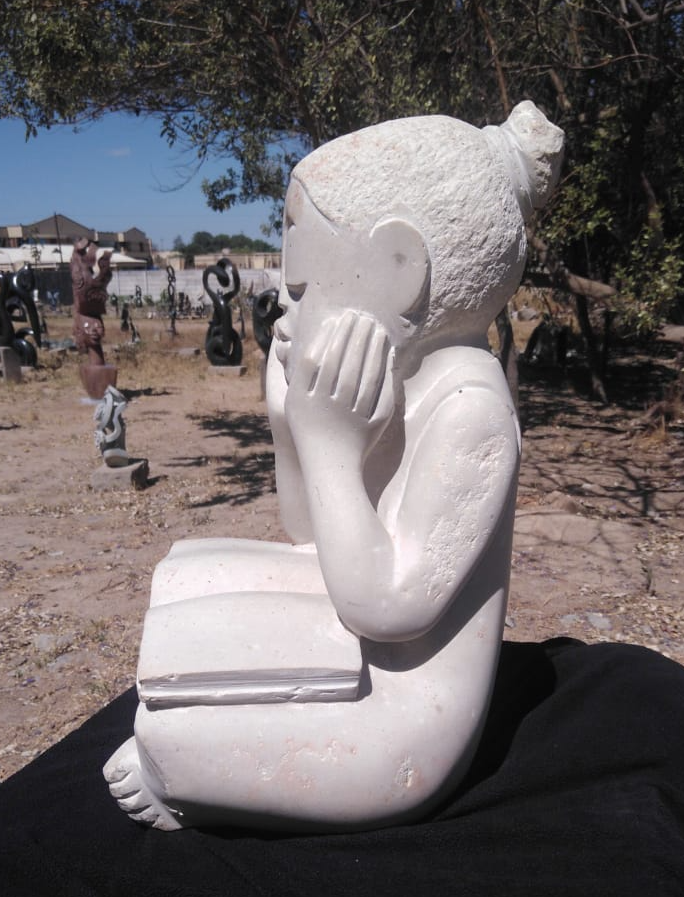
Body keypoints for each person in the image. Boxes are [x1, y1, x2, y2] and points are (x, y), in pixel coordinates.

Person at [104, 102, 564, 832]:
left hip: (407, 719)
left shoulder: (472, 409)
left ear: (398, 271)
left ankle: (180, 774)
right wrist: (291, 417)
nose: (287, 313)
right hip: (357, 626)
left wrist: (329, 446)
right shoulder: (401, 373)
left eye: (303, 292)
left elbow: (384, 608)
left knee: (166, 742)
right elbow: (309, 535)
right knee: (187, 569)